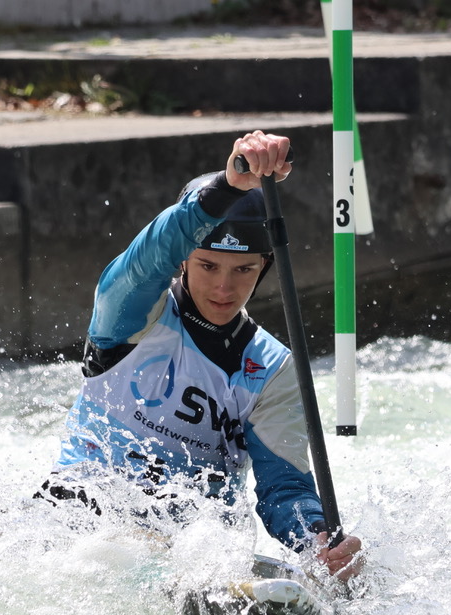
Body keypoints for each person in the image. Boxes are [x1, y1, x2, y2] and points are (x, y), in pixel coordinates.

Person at [38, 131, 363, 582]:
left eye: (243, 269)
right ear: (184, 260)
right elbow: (149, 256)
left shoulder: (273, 369)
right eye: (208, 265)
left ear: (264, 266)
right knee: (132, 539)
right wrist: (226, 189)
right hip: (85, 520)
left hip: (196, 550)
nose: (224, 288)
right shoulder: (130, 315)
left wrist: (317, 539)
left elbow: (284, 488)